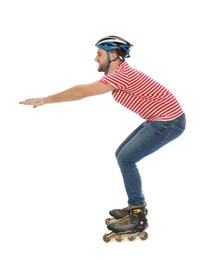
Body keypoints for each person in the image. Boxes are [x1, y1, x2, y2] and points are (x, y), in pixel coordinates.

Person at [20, 35, 186, 236]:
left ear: (113, 55)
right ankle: (136, 205)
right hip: (161, 119)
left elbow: (81, 91)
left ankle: (137, 215)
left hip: (169, 122)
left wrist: (45, 99)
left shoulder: (121, 75)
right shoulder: (121, 74)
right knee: (121, 155)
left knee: (127, 159)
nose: (95, 58)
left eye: (99, 54)